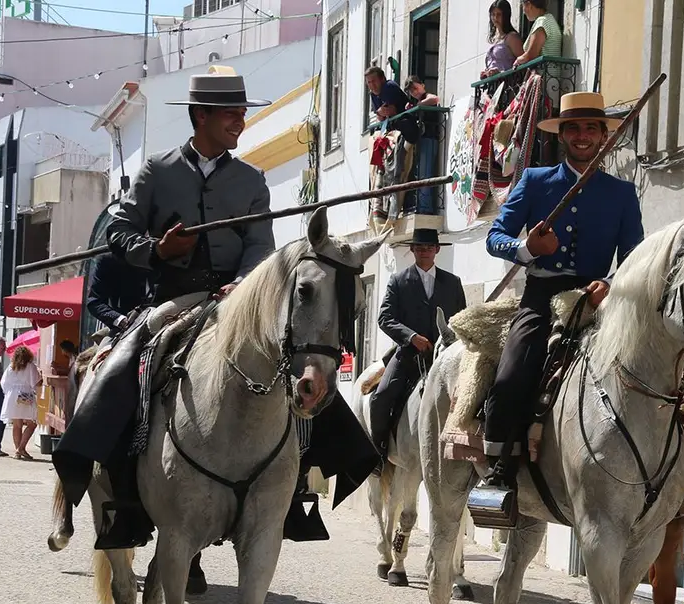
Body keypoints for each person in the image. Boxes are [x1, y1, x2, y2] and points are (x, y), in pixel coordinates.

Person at [52, 68, 382, 554]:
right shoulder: (156, 172)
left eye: (243, 113)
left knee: (298, 367)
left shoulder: (251, 180)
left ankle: (295, 487)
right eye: (231, 114)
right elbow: (118, 233)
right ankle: (112, 482)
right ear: (200, 116)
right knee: (123, 366)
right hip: (172, 301)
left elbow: (260, 246)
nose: (240, 121)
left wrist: (242, 284)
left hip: (236, 303)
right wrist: (156, 250)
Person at [468, 92, 643, 528]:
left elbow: (635, 256)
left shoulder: (622, 193)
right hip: (542, 298)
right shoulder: (534, 180)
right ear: (562, 135)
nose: (582, 137)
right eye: (573, 129)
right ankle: (501, 470)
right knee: (511, 376)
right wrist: (527, 248)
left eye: (591, 129)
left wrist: (614, 282)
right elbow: (496, 238)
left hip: (597, 302)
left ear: (605, 136)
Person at [369, 229, 467, 460]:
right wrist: (411, 337)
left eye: (429, 247)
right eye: (420, 248)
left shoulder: (453, 283)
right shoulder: (398, 281)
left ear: (437, 250)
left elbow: (463, 317)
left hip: (445, 357)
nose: (425, 252)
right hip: (409, 355)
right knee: (381, 395)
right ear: (412, 250)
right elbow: (385, 318)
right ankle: (378, 451)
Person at [365, 66, 421, 225]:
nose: (372, 86)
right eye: (369, 83)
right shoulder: (373, 95)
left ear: (382, 79)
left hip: (408, 129)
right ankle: (386, 203)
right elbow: (381, 115)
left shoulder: (389, 87)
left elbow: (390, 110)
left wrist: (383, 112)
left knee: (397, 163)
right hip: (394, 132)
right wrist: (383, 112)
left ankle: (393, 201)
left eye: (374, 81)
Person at [87, 252, 152, 334]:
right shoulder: (108, 261)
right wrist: (120, 319)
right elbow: (94, 302)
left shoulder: (163, 252)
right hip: (127, 325)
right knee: (111, 345)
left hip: (165, 312)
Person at [0, 345, 42, 461]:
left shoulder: (11, 367)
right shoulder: (30, 366)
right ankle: (21, 448)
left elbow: (3, 383)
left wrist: (9, 393)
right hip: (25, 395)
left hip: (12, 396)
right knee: (32, 423)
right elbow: (36, 383)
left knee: (17, 424)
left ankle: (17, 451)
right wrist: (41, 375)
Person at [512, 0, 562, 70]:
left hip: (544, 77)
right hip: (550, 76)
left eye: (522, 6)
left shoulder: (542, 21)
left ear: (529, 5)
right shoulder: (549, 19)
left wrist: (518, 60)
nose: (523, 12)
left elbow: (531, 55)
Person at [480, 0, 523, 79]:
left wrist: (501, 73)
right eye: (493, 14)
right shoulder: (494, 40)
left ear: (505, 16)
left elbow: (523, 64)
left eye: (499, 14)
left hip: (508, 86)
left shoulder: (512, 37)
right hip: (493, 87)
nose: (495, 18)